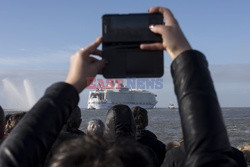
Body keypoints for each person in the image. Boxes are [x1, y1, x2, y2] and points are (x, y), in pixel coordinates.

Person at [0, 6, 239, 166]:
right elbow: (212, 156)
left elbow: (11, 157)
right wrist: (183, 53)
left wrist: (71, 84)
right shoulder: (155, 147)